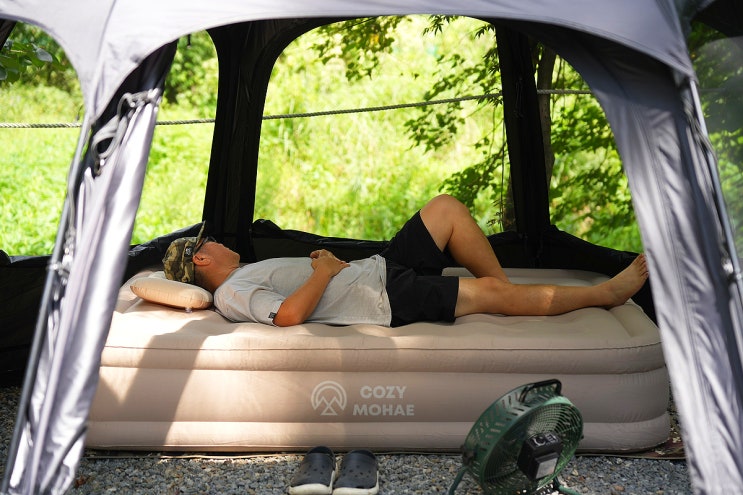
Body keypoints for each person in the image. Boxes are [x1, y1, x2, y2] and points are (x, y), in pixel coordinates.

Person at [162, 194, 648, 327]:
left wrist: (327, 263)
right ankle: (604, 294)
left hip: (379, 269)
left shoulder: (242, 274)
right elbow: (287, 315)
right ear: (202, 258)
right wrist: (325, 271)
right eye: (212, 242)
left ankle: (506, 295)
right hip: (385, 300)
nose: (221, 242)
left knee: (446, 209)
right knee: (488, 293)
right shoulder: (231, 293)